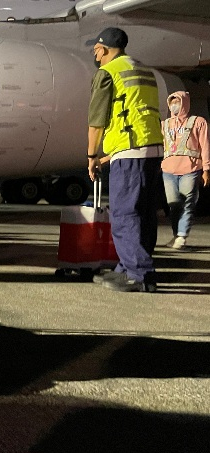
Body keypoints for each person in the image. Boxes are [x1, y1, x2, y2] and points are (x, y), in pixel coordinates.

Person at [86, 27, 163, 292]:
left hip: (129, 153)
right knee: (144, 213)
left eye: (96, 50)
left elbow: (96, 121)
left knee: (124, 214)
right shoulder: (143, 69)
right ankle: (127, 267)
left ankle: (139, 274)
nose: (95, 56)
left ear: (104, 49)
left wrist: (92, 156)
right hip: (151, 149)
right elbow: (133, 115)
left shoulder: (107, 73)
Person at [161, 91, 210, 250]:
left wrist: (206, 169)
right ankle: (177, 235)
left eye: (178, 102)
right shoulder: (165, 124)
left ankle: (181, 236)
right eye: (172, 102)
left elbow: (205, 146)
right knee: (174, 205)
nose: (175, 105)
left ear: (185, 103)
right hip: (168, 170)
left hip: (191, 169)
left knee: (188, 203)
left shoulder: (198, 122)